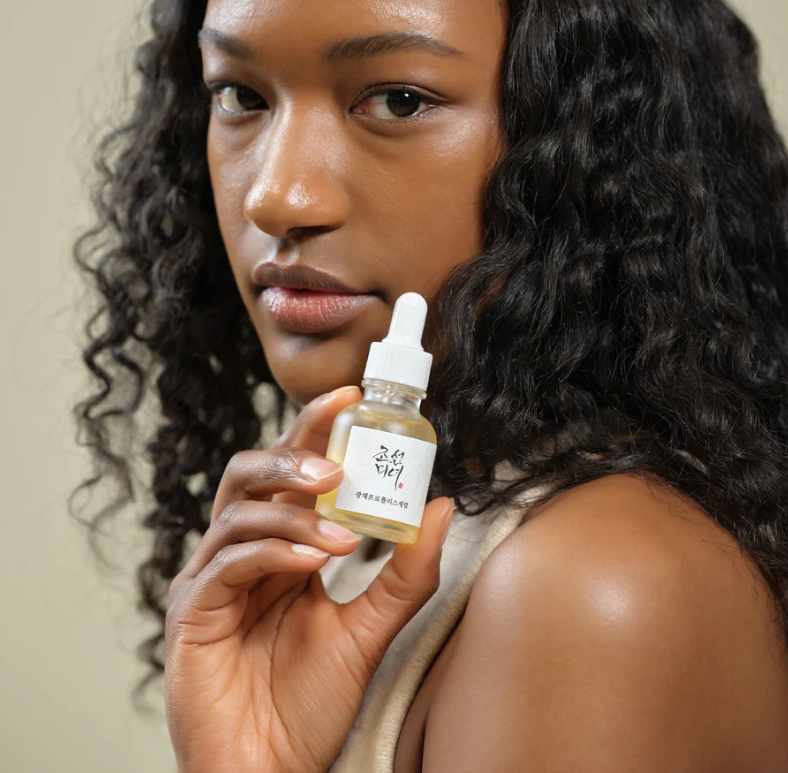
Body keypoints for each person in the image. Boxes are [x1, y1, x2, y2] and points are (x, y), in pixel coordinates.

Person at [70, 0, 788, 769]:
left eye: (398, 100)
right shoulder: (397, 527)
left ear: (596, 143)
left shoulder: (592, 583)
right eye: (241, 96)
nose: (276, 197)